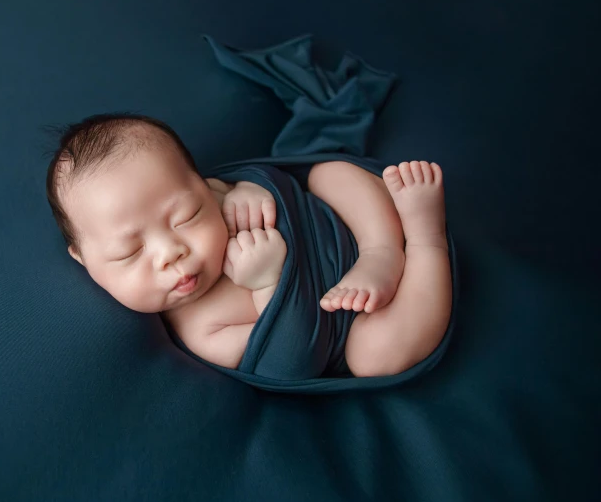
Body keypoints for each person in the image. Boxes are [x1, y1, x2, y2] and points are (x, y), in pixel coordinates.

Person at [46, 114, 451, 377]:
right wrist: (267, 286)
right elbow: (291, 361)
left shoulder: (216, 198)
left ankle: (383, 249)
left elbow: (269, 178)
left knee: (328, 174)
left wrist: (250, 187)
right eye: (129, 253)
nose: (171, 252)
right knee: (373, 358)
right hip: (354, 321)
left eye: (185, 217)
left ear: (202, 187)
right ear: (83, 261)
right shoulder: (202, 330)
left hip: (350, 231)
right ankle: (425, 240)